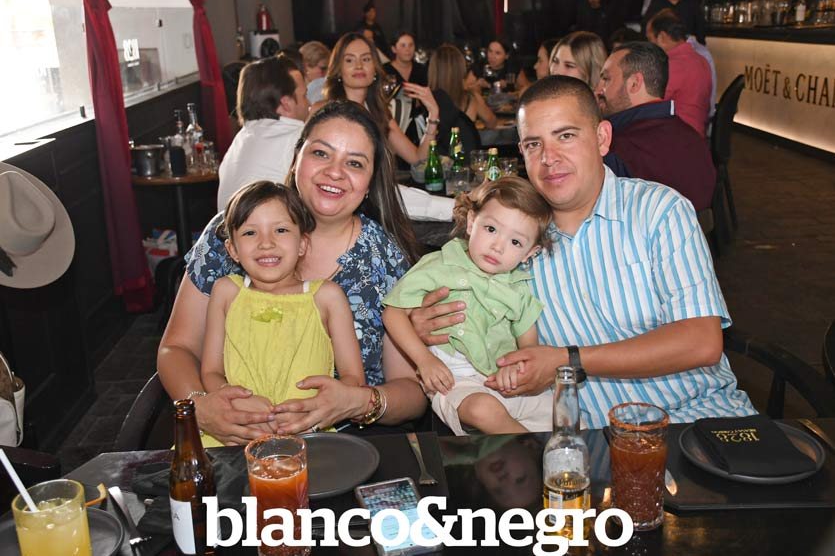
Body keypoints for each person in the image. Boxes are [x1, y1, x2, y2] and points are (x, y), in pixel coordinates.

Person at [408, 76, 756, 428]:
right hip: (589, 436)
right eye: (533, 144)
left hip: (697, 418)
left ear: (602, 138)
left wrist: (569, 359)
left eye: (566, 136)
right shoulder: (513, 240)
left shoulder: (658, 211)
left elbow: (701, 342)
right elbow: (469, 314)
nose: (549, 158)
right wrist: (426, 326)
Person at [157, 101, 425, 444]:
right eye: (321, 153)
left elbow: (412, 393)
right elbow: (176, 348)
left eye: (354, 163)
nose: (335, 172)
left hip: (346, 443)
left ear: (370, 182)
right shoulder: (234, 229)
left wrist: (360, 402)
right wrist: (201, 407)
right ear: (297, 157)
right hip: (234, 440)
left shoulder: (384, 259)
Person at [383, 177, 553, 435]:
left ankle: (548, 450)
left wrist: (515, 367)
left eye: (515, 242)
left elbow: (529, 346)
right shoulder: (439, 265)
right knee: (483, 410)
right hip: (454, 378)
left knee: (562, 409)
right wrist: (423, 359)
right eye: (491, 229)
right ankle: (532, 450)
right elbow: (393, 313)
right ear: (472, 222)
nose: (498, 246)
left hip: (505, 380)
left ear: (530, 253)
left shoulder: (518, 288)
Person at [200, 183, 366, 447]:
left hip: (308, 433)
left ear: (302, 244)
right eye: (250, 232)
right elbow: (210, 371)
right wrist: (235, 400)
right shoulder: (226, 292)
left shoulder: (326, 297)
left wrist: (319, 405)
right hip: (236, 434)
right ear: (233, 250)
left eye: (281, 230)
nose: (266, 243)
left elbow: (354, 378)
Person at [595, 41, 716, 211]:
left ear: (635, 83)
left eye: (606, 79)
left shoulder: (616, 148)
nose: (598, 90)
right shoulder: (694, 139)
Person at [314, 32, 440, 166]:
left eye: (366, 59)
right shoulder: (323, 111)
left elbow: (418, 159)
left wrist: (433, 114)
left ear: (375, 68)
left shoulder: (379, 112)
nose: (359, 66)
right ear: (339, 69)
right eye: (349, 60)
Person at [216, 55, 309, 211]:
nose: (309, 103)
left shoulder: (241, 139)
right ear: (286, 103)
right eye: (304, 96)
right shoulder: (299, 136)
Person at [646, 8, 712, 137]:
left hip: (679, 138)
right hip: (697, 135)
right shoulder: (702, 60)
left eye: (650, 40)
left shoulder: (672, 65)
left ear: (662, 37)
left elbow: (648, 103)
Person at [428, 44, 497, 133]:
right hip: (465, 142)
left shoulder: (426, 99)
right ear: (461, 68)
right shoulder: (471, 98)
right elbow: (492, 123)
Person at [642, 0, 706, 44]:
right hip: (661, 47)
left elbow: (700, 28)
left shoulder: (692, 3)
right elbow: (647, 27)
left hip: (686, 45)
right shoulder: (657, 2)